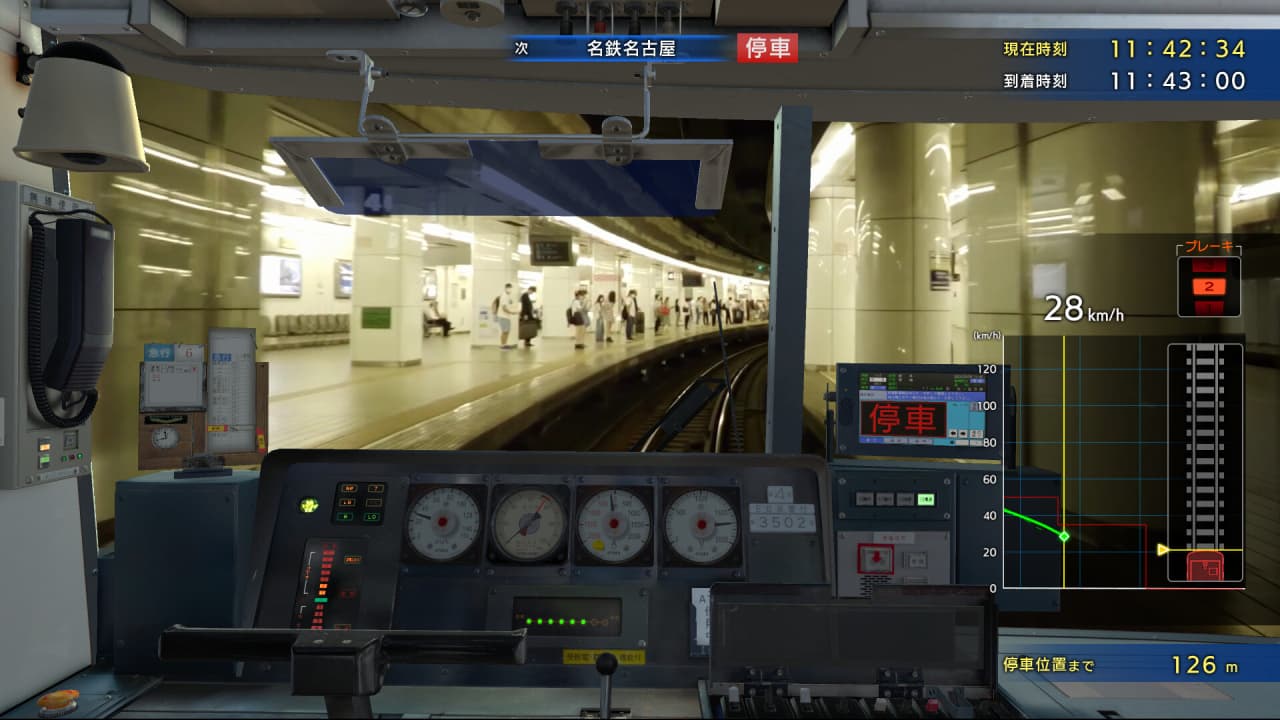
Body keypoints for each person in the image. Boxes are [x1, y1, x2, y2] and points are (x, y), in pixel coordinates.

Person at [498, 283, 520, 349]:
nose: (510, 289)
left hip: (506, 316)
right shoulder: (504, 296)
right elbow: (504, 308)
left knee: (507, 331)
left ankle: (505, 344)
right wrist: (512, 312)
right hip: (503, 316)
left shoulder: (507, 296)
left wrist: (513, 310)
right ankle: (502, 345)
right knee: (505, 331)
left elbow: (509, 305)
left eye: (510, 288)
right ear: (505, 288)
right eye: (508, 288)